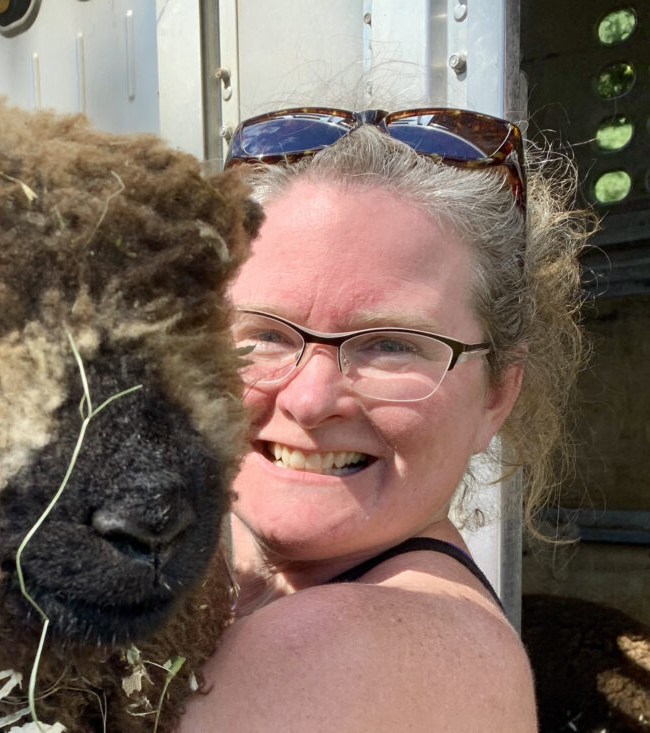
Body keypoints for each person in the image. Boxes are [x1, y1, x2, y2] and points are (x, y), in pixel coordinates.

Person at [177, 108, 593, 732]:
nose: (310, 400)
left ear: (497, 397)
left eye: (392, 344)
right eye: (262, 333)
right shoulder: (250, 586)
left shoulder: (340, 651)